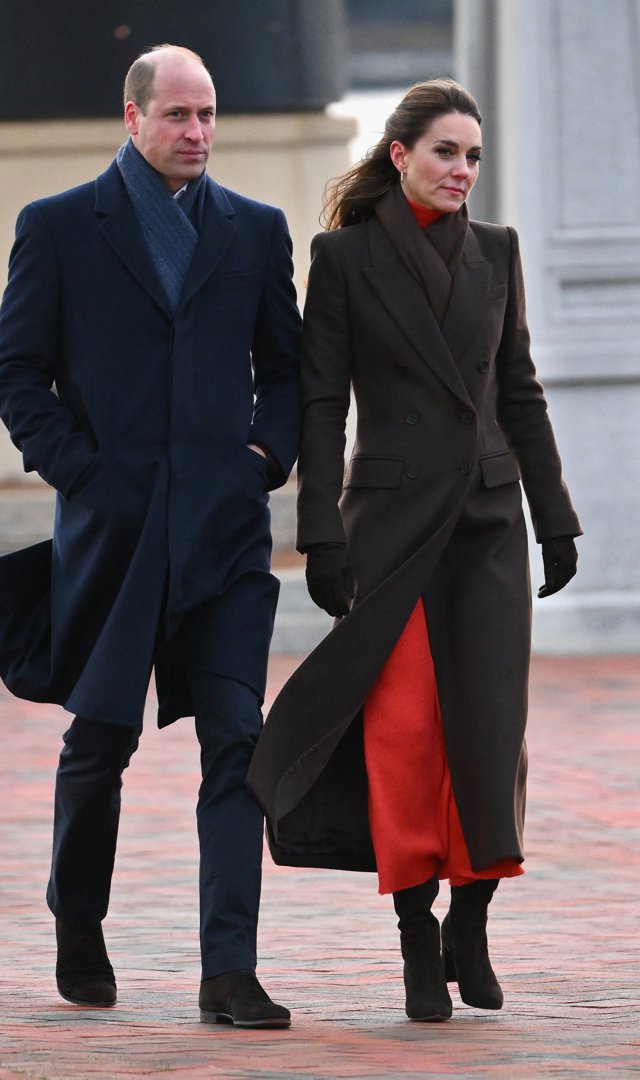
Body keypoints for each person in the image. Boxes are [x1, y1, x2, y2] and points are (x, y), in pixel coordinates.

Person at [0, 44, 301, 1028]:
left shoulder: (253, 230)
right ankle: (78, 919)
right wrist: (85, 474)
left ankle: (227, 970)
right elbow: (15, 372)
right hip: (114, 535)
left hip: (225, 533)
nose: (196, 133)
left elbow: (284, 372)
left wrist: (261, 458)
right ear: (132, 118)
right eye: (178, 116)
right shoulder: (62, 228)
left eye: (207, 116)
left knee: (238, 740)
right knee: (99, 742)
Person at [247, 78, 581, 1022]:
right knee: (404, 740)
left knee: (488, 732)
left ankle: (472, 914)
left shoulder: (498, 253)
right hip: (389, 529)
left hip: (484, 523)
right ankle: (414, 933)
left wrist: (552, 513)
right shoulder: (343, 258)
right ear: (400, 156)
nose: (462, 171)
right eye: (445, 152)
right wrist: (320, 531)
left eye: (473, 156)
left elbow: (520, 392)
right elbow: (321, 403)